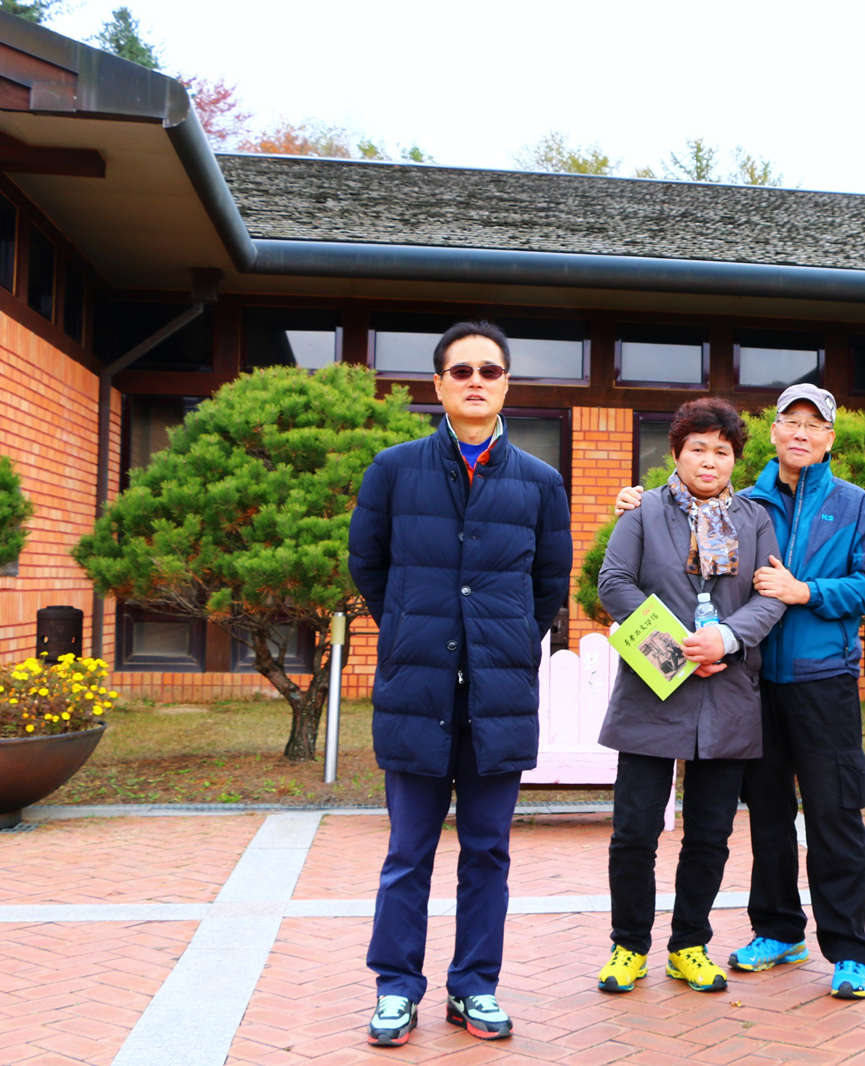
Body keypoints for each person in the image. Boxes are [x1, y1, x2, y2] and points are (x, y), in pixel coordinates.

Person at [614, 383, 865, 1000]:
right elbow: (664, 525)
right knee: (767, 815)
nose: (801, 433)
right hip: (754, 684)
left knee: (834, 813)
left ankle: (849, 948)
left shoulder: (853, 504)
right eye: (791, 421)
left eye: (814, 424)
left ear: (829, 438)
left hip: (822, 679)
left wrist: (806, 592)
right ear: (772, 433)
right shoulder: (750, 503)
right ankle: (778, 929)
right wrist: (634, 503)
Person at [348, 320, 572, 1047]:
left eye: (490, 370)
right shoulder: (393, 469)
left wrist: (507, 641)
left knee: (487, 852)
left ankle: (474, 986)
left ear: (507, 384)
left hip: (497, 697)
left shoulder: (541, 483)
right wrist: (411, 625)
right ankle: (395, 987)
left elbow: (549, 584)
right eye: (462, 370)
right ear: (438, 384)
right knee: (407, 852)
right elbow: (369, 565)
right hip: (418, 690)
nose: (477, 381)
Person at [596, 397, 786, 995]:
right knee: (634, 830)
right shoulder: (643, 511)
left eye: (721, 451)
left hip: (726, 691)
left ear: (734, 460)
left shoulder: (755, 519)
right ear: (676, 453)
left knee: (710, 832)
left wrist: (723, 639)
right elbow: (614, 583)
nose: (709, 460)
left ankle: (689, 945)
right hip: (653, 690)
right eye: (697, 448)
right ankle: (629, 945)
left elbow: (770, 595)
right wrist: (678, 650)